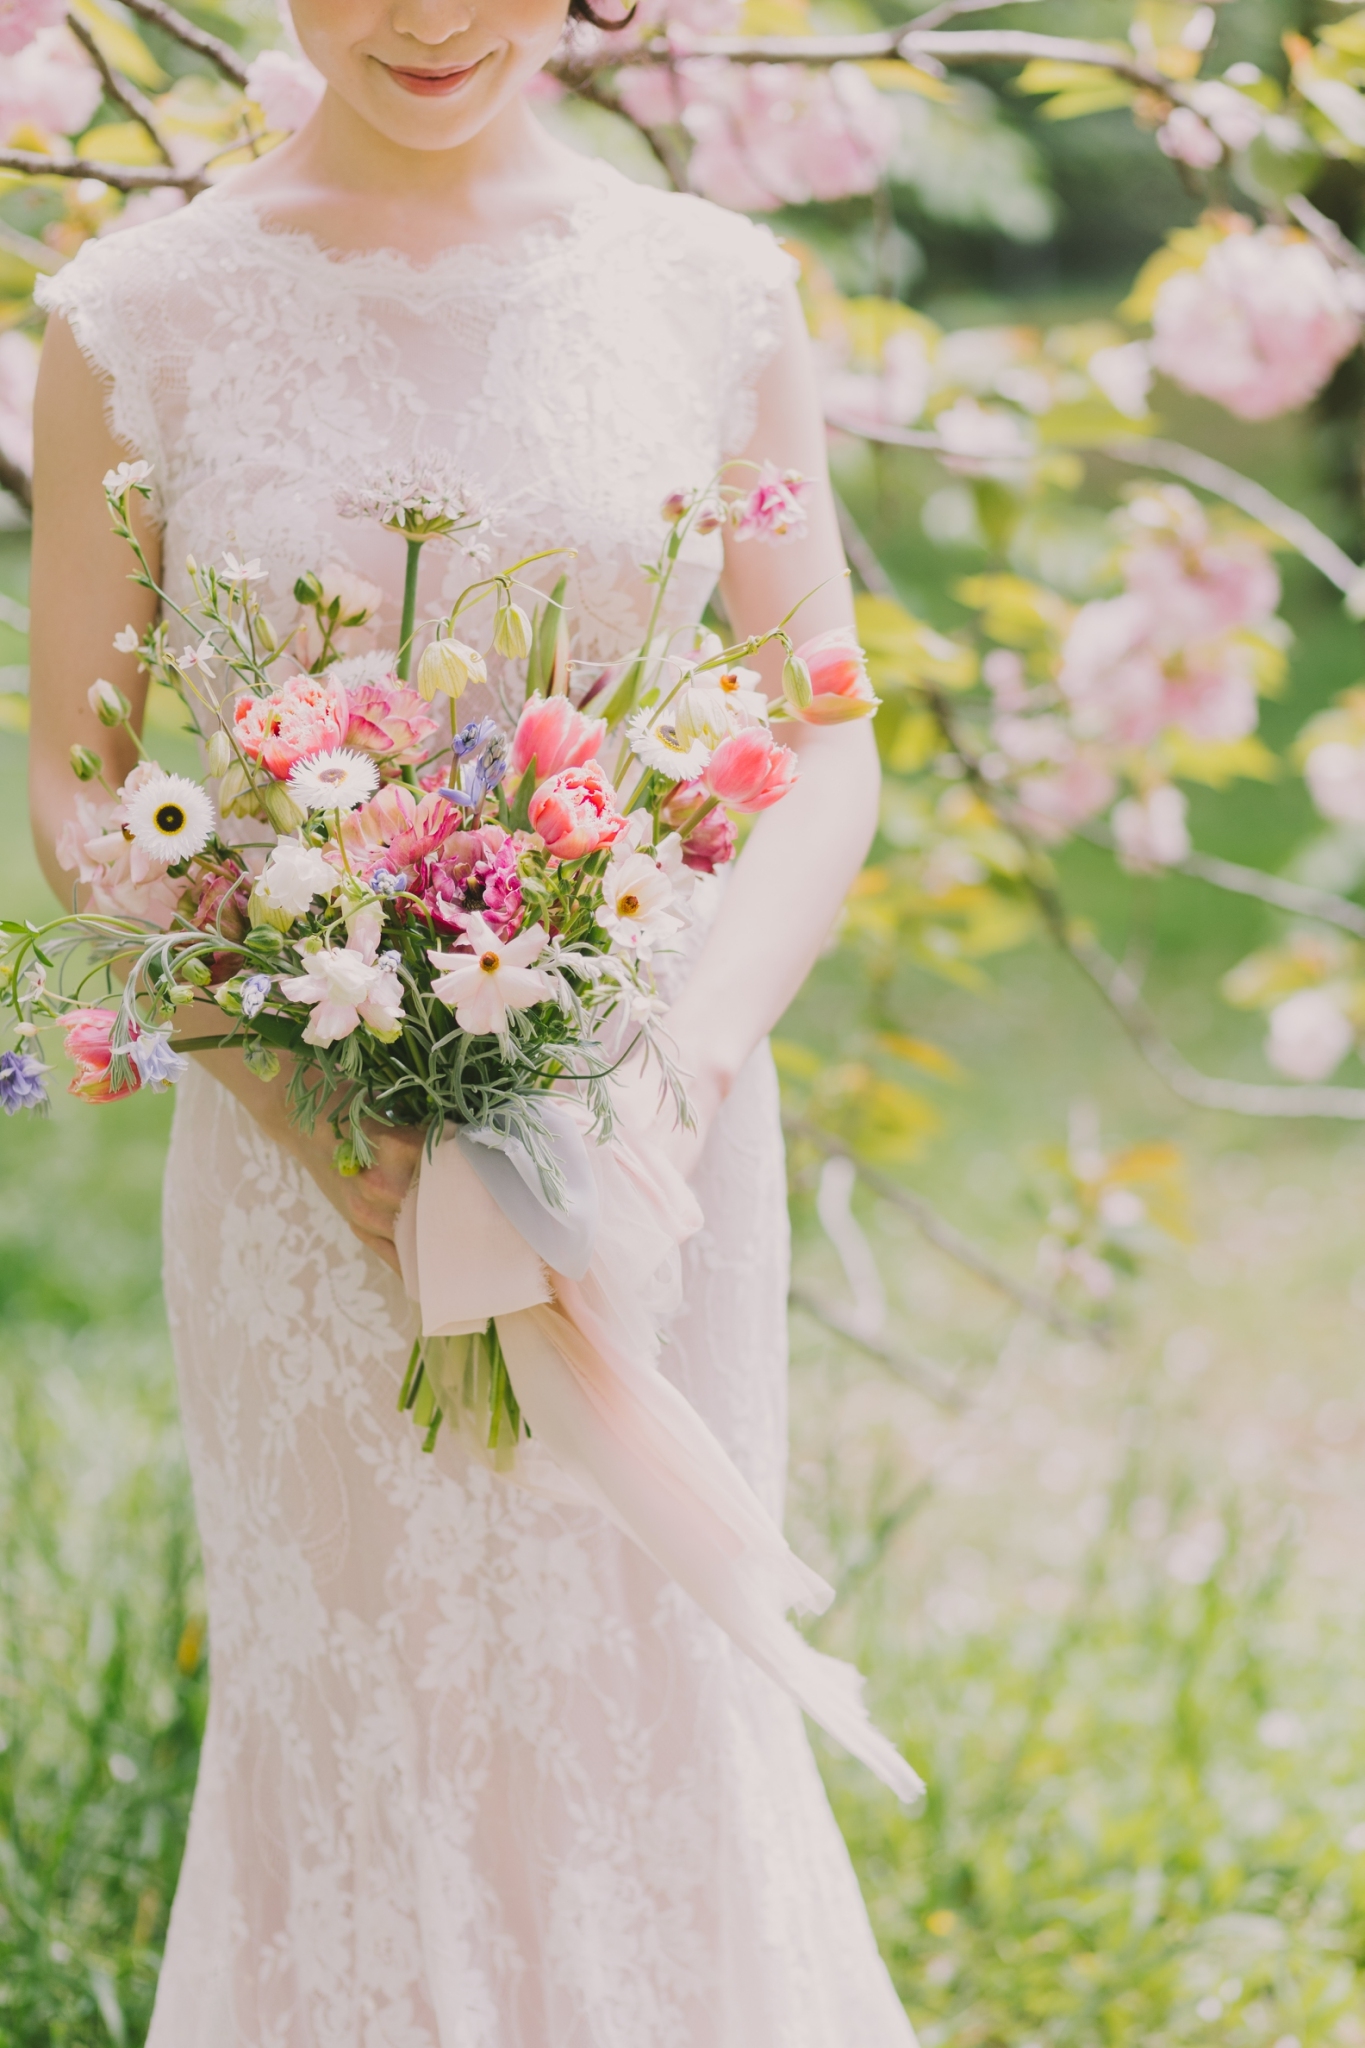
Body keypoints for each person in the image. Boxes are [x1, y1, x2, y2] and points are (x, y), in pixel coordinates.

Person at [27, 2, 916, 2039]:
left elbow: (825, 734)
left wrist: (679, 1078)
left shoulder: (711, 293)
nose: (428, 17)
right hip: (302, 1154)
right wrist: (311, 1099)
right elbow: (85, 789)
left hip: (641, 1129)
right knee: (364, 1709)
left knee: (639, 1689)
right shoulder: (131, 322)